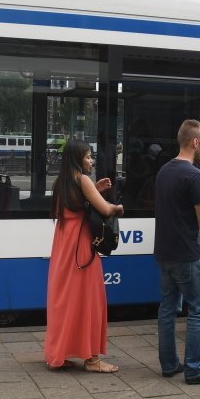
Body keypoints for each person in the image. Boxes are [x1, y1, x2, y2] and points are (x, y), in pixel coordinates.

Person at [44, 139, 124, 372]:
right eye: (88, 156)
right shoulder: (83, 180)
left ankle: (60, 354)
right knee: (90, 301)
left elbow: (76, 203)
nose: (91, 160)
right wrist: (118, 207)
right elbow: (106, 209)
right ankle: (92, 359)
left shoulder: (62, 182)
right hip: (81, 246)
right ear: (78, 158)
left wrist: (94, 190)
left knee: (65, 300)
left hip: (63, 245)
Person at [153, 119, 200, 384]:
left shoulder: (164, 171)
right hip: (187, 253)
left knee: (167, 309)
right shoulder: (194, 175)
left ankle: (169, 364)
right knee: (199, 310)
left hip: (164, 252)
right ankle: (194, 368)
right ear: (194, 142)